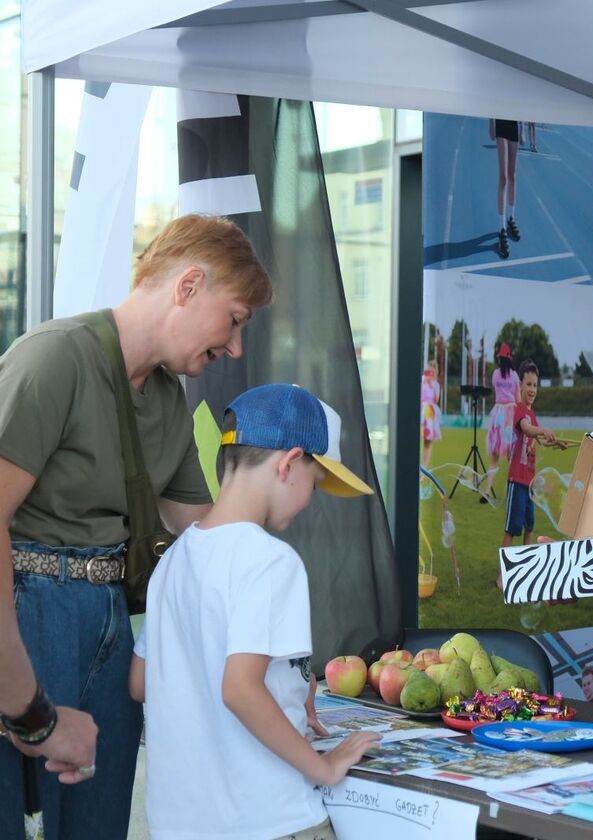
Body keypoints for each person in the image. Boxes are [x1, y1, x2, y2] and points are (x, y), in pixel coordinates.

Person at [0, 214, 272, 839]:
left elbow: (205, 536)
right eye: (234, 319)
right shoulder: (54, 358)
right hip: (27, 619)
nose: (234, 347)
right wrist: (30, 711)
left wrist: (278, 657)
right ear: (188, 285)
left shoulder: (170, 399)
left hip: (112, 628)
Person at [130, 383, 381, 840]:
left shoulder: (174, 559)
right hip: (271, 821)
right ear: (289, 463)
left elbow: (141, 681)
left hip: (178, 826)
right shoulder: (272, 560)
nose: (310, 500)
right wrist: (324, 767)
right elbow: (240, 690)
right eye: (316, 482)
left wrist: (291, 680)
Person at [501, 361, 565, 552]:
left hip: (530, 483)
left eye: (535, 385)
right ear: (520, 385)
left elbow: (539, 440)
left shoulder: (533, 414)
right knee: (511, 530)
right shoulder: (519, 409)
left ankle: (524, 568)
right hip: (516, 480)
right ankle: (501, 576)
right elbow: (528, 430)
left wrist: (555, 442)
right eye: (528, 384)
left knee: (529, 526)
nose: (532, 389)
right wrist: (543, 430)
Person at [482, 343, 520, 499]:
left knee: (494, 457)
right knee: (511, 457)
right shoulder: (515, 375)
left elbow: (495, 392)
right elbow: (517, 399)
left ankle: (486, 491)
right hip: (510, 414)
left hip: (497, 414)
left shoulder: (495, 374)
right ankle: (510, 492)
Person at [489, 119, 522, 258]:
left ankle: (510, 219)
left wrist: (522, 128)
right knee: (503, 178)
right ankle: (501, 230)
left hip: (513, 125)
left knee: (512, 176)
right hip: (501, 124)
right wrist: (491, 123)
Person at [421, 363, 442, 468]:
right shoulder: (422, 381)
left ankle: (424, 467)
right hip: (422, 410)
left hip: (430, 412)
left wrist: (432, 384)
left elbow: (437, 399)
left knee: (428, 441)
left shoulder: (436, 385)